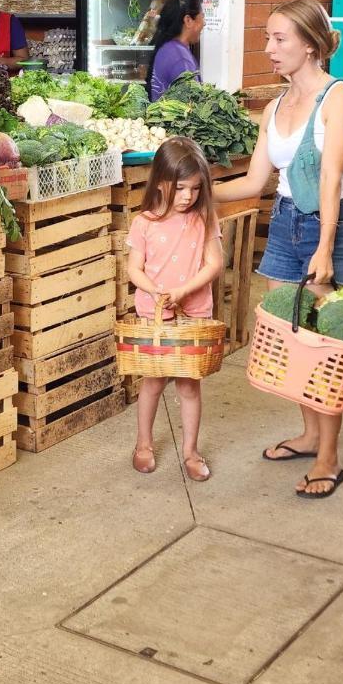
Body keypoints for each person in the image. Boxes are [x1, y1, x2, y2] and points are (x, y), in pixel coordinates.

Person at [212, 0, 343, 499]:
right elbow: (255, 181)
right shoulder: (276, 106)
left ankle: (329, 457)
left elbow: (331, 178)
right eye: (268, 38)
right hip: (284, 225)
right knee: (290, 337)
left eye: (279, 39)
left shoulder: (337, 98)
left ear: (311, 44)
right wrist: (194, 195)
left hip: (328, 225)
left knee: (326, 345)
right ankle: (309, 434)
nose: (269, 49)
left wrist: (324, 247)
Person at [126, 137, 223, 481]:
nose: (188, 196)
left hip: (193, 314)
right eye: (180, 187)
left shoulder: (203, 217)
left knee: (189, 385)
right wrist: (155, 290)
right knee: (152, 382)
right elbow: (133, 269)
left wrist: (184, 290)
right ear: (160, 180)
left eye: (195, 189)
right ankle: (143, 444)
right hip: (155, 316)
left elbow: (214, 263)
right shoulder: (145, 223)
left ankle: (191, 452)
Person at [147, 0, 204, 102]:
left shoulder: (166, 48)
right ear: (188, 20)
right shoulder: (180, 58)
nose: (204, 23)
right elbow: (193, 107)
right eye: (202, 17)